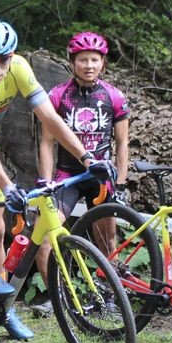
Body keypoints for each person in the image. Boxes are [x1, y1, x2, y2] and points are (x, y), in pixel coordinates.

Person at [0, 16, 115, 341]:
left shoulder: (20, 68)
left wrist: (87, 158)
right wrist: (9, 185)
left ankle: (3, 308)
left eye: (4, 59)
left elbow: (50, 119)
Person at [36, 31, 130, 265]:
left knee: (107, 245)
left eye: (94, 60)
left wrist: (120, 184)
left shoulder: (114, 96)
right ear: (72, 62)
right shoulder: (58, 95)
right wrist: (46, 182)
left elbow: (122, 143)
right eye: (82, 60)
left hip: (101, 178)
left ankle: (110, 297)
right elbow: (47, 142)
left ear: (103, 63)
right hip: (67, 176)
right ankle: (55, 299)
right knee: (46, 240)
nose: (89, 65)